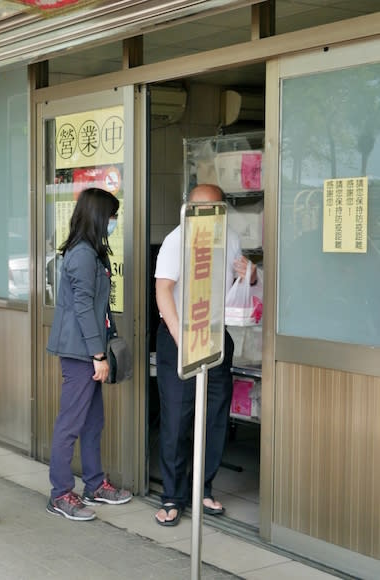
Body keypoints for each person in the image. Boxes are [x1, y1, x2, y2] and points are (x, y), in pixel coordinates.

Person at [154, 183, 254, 526]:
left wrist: (250, 277)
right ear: (188, 210)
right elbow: (163, 288)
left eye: (215, 210)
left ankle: (204, 488)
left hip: (214, 337)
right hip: (178, 337)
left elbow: (243, 285)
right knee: (177, 420)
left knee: (214, 417)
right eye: (200, 210)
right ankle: (172, 496)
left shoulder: (231, 240)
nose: (208, 218)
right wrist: (180, 335)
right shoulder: (176, 240)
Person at [45, 188, 133, 523]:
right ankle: (60, 493)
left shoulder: (93, 252)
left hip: (90, 350)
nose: (114, 221)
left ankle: (95, 484)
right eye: (111, 216)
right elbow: (83, 308)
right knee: (70, 423)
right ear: (99, 216)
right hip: (80, 351)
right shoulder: (82, 255)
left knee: (93, 421)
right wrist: (98, 354)